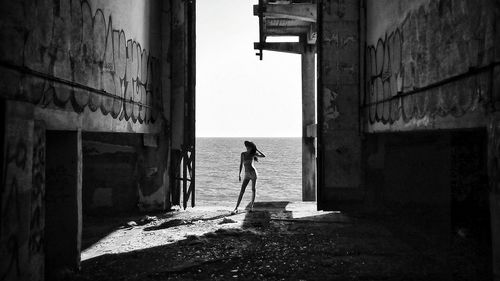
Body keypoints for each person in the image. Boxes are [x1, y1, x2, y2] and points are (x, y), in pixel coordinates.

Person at [233, 140, 265, 213]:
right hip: (247, 174)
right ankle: (236, 208)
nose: (247, 148)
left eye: (249, 147)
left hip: (253, 173)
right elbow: (241, 164)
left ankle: (251, 207)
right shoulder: (243, 154)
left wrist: (257, 150)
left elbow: (263, 156)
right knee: (242, 190)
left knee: (253, 189)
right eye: (247, 147)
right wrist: (239, 174)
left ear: (251, 147)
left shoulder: (253, 154)